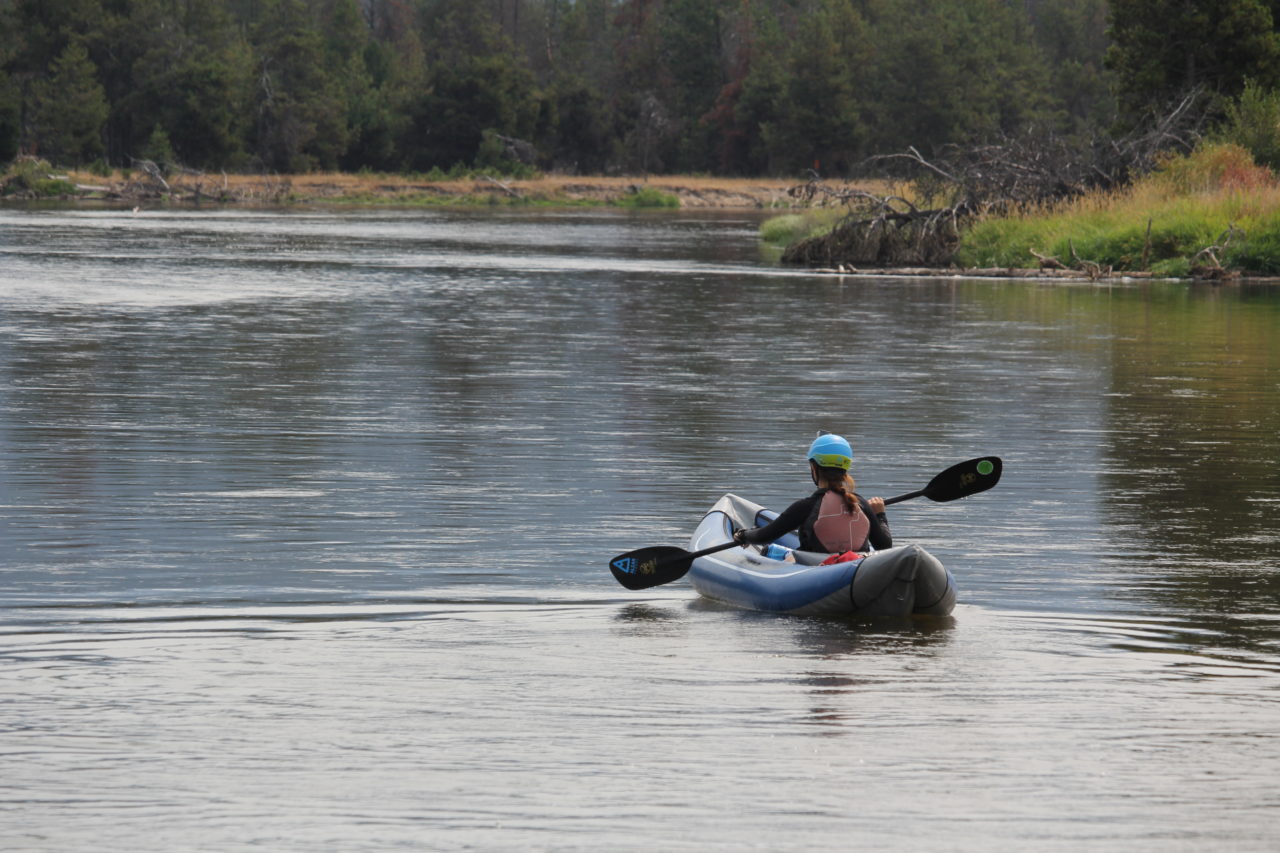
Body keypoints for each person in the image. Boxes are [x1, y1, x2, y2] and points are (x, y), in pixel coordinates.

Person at [733, 433, 891, 556]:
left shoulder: (805, 507)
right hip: (857, 570)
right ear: (846, 469)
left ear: (813, 468)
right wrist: (880, 515)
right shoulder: (861, 504)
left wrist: (743, 535)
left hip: (815, 572)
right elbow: (884, 546)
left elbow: (764, 536)